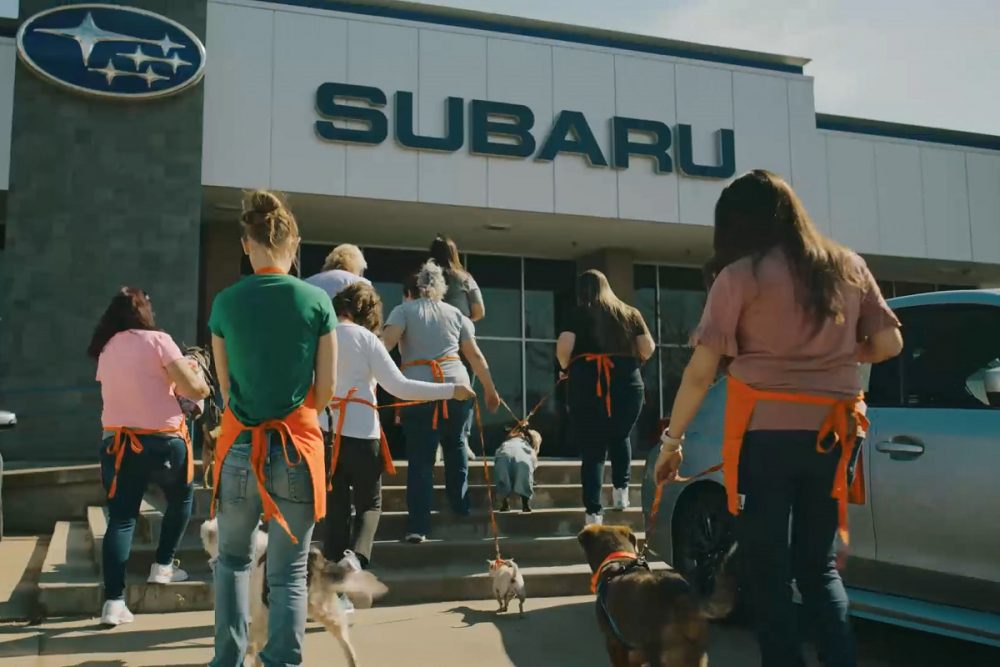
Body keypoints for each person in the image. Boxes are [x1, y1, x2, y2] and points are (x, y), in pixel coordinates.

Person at [653, 170, 902, 667]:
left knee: (767, 569)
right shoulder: (848, 266)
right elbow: (889, 343)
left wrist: (671, 442)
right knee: (817, 569)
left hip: (764, 440)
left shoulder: (740, 276)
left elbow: (701, 374)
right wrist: (831, 358)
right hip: (832, 438)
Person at [208, 190, 337, 667]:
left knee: (233, 563)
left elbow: (225, 390)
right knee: (289, 572)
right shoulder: (316, 301)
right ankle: (282, 661)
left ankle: (228, 659)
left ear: (247, 244)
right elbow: (325, 392)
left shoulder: (225, 302)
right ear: (295, 243)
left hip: (240, 445)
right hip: (299, 447)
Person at [322, 282, 475, 575]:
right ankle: (355, 559)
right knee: (370, 504)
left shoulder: (321, 335)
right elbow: (399, 387)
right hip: (363, 434)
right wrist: (450, 390)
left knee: (336, 507)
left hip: (327, 434)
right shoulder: (367, 339)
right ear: (367, 312)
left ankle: (335, 584)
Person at [88, 287, 210, 626]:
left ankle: (113, 602)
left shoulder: (107, 348)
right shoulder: (159, 340)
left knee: (122, 519)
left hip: (118, 443)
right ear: (145, 311)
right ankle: (164, 566)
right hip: (162, 439)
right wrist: (197, 374)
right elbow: (194, 389)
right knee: (182, 497)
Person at [382, 261, 500, 544]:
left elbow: (383, 346)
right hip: (456, 387)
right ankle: (460, 509)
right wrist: (490, 389)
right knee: (457, 445)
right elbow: (475, 356)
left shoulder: (403, 311)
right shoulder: (457, 314)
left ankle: (417, 527)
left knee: (420, 459)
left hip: (419, 391)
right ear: (443, 289)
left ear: (417, 287)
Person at [557, 270, 654, 525]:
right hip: (627, 381)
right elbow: (648, 348)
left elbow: (564, 350)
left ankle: (593, 513)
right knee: (620, 435)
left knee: (592, 447)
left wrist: (567, 368)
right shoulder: (629, 313)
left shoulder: (577, 314)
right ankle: (621, 494)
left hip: (587, 383)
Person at [493, 425, 542, 513]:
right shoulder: (528, 447)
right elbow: (533, 463)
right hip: (522, 460)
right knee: (525, 477)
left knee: (503, 479)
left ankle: (505, 503)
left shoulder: (506, 443)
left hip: (504, 456)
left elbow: (497, 455)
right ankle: (525, 504)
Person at [306, 243, 371, 298]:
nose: (360, 275)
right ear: (357, 266)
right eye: (360, 271)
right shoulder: (359, 283)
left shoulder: (307, 283)